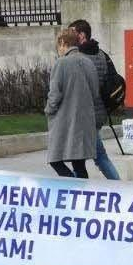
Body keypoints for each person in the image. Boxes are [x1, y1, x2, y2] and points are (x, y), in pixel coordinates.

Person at [44, 27, 103, 178]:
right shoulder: (88, 62)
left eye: (58, 46)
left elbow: (54, 95)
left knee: (55, 160)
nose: (58, 50)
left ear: (63, 43)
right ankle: (82, 192)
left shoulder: (61, 63)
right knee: (79, 163)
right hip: (85, 120)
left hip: (65, 121)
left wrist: (48, 110)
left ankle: (73, 188)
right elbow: (95, 92)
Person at [69, 19, 121, 179]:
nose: (68, 37)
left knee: (92, 158)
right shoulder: (101, 54)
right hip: (98, 113)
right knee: (89, 157)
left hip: (86, 114)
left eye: (72, 33)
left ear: (81, 35)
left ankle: (119, 187)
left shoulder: (79, 57)